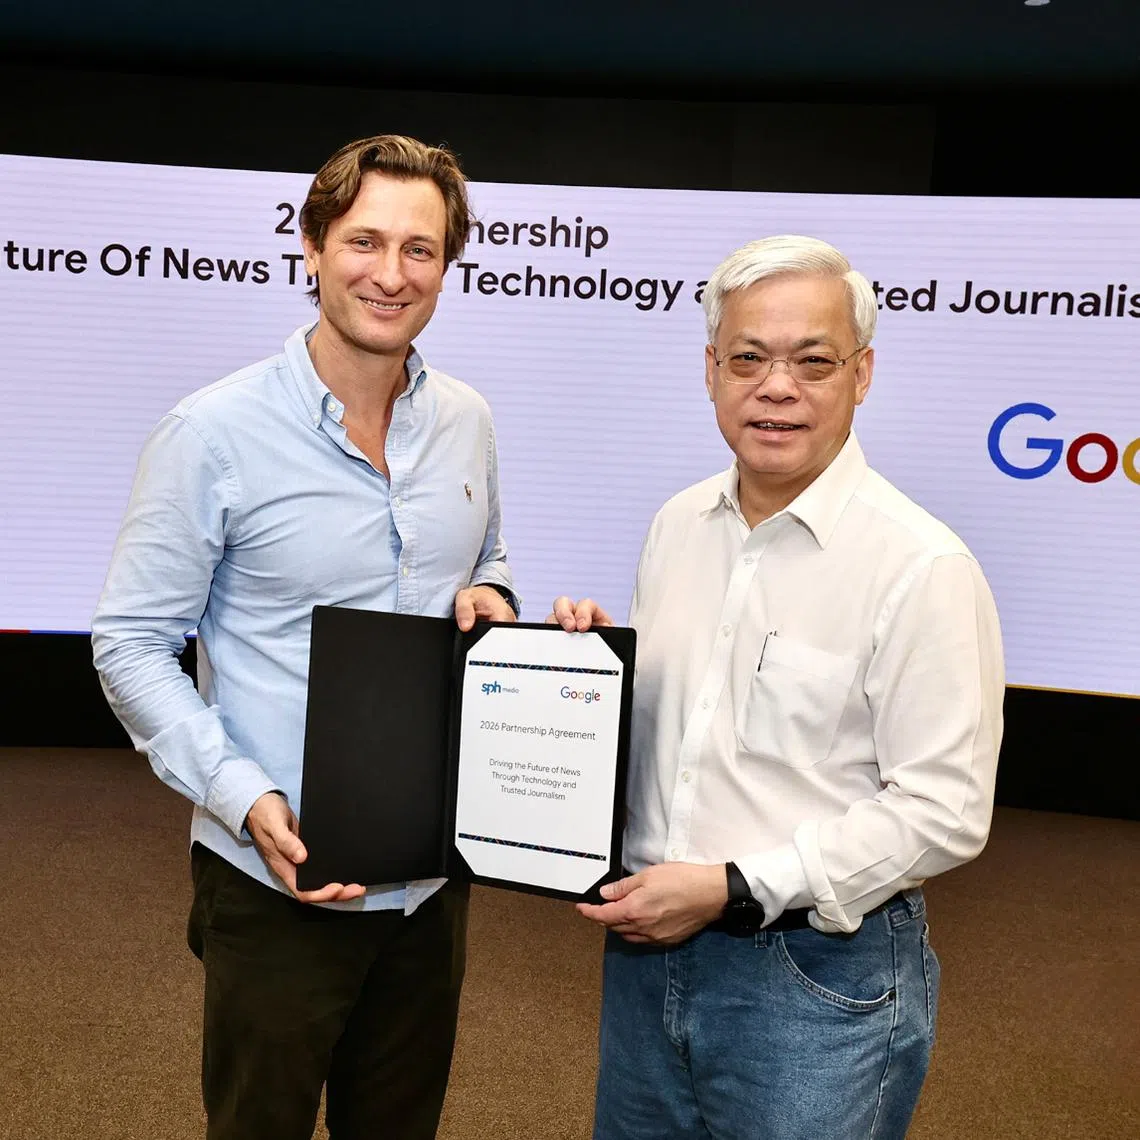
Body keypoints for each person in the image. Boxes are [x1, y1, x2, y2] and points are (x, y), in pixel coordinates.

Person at [92, 135, 520, 1140]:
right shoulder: (212, 433)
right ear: (313, 245)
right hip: (275, 877)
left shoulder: (469, 423)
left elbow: (489, 564)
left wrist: (492, 601)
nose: (391, 272)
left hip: (428, 884)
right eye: (365, 240)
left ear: (447, 267)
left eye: (421, 250)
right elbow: (131, 645)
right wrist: (242, 799)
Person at [552, 235, 1004, 1139]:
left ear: (862, 373)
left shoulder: (921, 566)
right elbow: (689, 735)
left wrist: (733, 886)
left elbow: (945, 808)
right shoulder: (677, 525)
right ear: (711, 368)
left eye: (814, 360)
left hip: (814, 982)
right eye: (749, 357)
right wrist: (587, 679)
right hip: (645, 960)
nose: (777, 386)